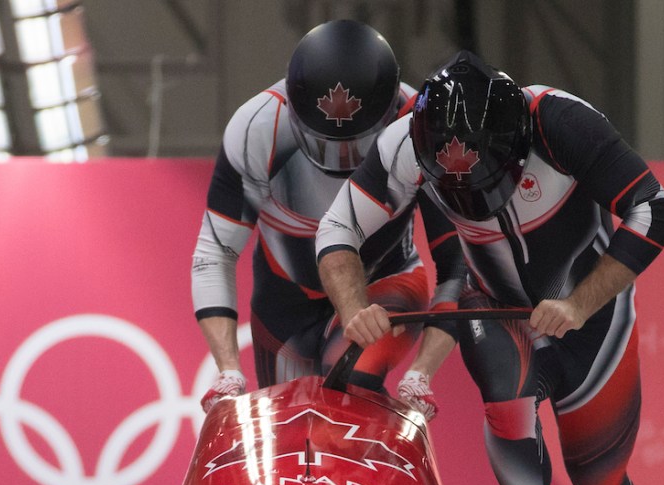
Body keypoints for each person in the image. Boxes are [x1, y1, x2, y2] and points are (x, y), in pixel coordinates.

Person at [316, 50, 664, 485]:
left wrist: (579, 302)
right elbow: (337, 229)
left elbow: (655, 211)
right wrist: (352, 308)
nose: (473, 200)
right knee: (507, 409)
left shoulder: (561, 122)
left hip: (590, 316)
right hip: (497, 306)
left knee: (600, 483)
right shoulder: (405, 143)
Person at [193, 19, 462, 412]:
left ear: (390, 115)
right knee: (290, 426)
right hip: (286, 300)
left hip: (385, 283)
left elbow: (457, 263)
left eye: (359, 147)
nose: (343, 164)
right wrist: (228, 369)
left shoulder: (419, 128)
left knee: (348, 383)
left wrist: (422, 371)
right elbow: (215, 253)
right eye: (325, 146)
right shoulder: (257, 129)